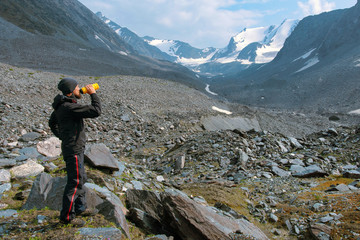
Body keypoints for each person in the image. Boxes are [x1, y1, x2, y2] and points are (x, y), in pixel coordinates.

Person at [49, 78, 101, 226]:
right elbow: (96, 111)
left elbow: (51, 122)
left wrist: (63, 136)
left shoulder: (61, 106)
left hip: (72, 147)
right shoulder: (69, 107)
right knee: (75, 182)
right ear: (71, 91)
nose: (80, 89)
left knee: (81, 178)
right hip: (74, 149)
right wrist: (93, 94)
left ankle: (80, 207)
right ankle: (66, 216)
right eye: (78, 87)